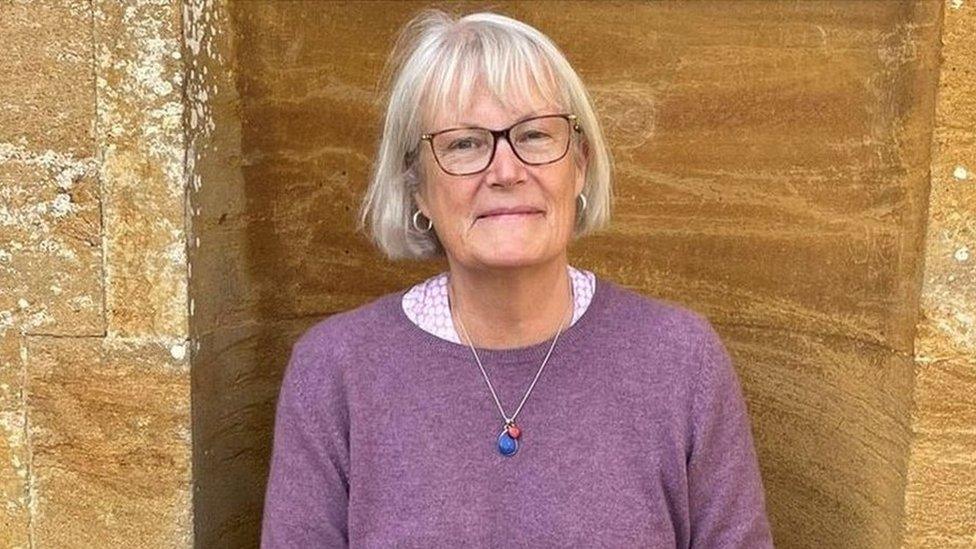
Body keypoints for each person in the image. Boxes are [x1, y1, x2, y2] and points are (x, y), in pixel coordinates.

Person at [260, 8, 774, 548]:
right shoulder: (336, 372)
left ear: (579, 165)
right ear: (416, 187)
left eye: (533, 136)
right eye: (464, 143)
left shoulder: (681, 360)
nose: (505, 172)